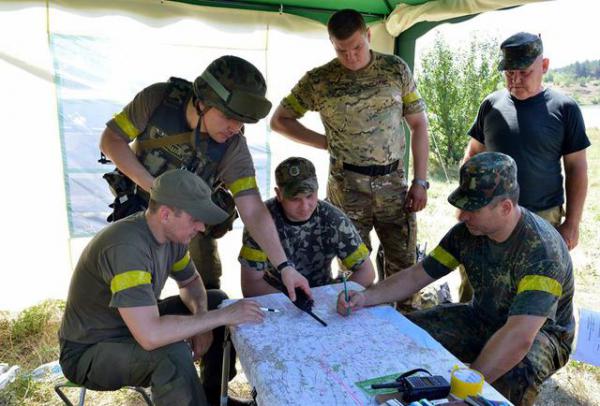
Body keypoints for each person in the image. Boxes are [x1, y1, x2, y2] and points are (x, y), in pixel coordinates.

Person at [338, 152, 574, 406]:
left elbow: (520, 337)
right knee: (407, 333)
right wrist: (366, 296)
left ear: (505, 207)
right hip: (482, 316)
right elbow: (419, 274)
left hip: (542, 335)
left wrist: (466, 389)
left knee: (514, 373)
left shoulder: (542, 251)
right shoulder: (467, 233)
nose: (462, 215)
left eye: (472, 208)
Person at [100, 55, 310, 300]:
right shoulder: (157, 100)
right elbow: (110, 140)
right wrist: (154, 186)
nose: (235, 128)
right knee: (131, 289)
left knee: (208, 291)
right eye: (228, 117)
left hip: (192, 222)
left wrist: (285, 267)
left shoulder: (233, 147)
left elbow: (252, 208)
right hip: (140, 210)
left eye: (242, 122)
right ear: (202, 102)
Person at [59, 169, 265, 406]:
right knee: (171, 355)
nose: (201, 227)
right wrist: (218, 317)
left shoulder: (171, 237)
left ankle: (212, 397)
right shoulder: (127, 248)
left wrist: (203, 318)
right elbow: (150, 336)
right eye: (195, 218)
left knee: (216, 299)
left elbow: (190, 282)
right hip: (90, 350)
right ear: (166, 214)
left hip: (131, 325)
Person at [270, 9, 430, 296]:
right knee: (353, 269)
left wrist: (420, 182)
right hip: (347, 186)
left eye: (357, 47)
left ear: (369, 36)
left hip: (393, 183)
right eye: (342, 51)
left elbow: (419, 125)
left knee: (404, 264)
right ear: (332, 44)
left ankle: (406, 324)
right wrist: (325, 142)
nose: (351, 56)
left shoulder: (395, 69)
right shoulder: (319, 80)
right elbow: (279, 120)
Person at [464, 32, 590, 250]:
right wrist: (466, 204)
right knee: (481, 281)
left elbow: (576, 168)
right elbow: (473, 156)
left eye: (524, 72)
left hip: (542, 217)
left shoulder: (565, 108)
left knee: (539, 282)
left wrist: (572, 223)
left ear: (544, 66)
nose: (515, 80)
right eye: (509, 73)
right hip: (489, 214)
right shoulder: (490, 105)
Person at [238, 157, 375, 297]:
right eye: (295, 199)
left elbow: (366, 272)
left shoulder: (333, 219)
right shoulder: (261, 221)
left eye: (310, 196)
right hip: (277, 297)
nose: (304, 206)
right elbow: (251, 284)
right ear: (279, 194)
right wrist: (291, 304)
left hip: (323, 295)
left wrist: (335, 298)